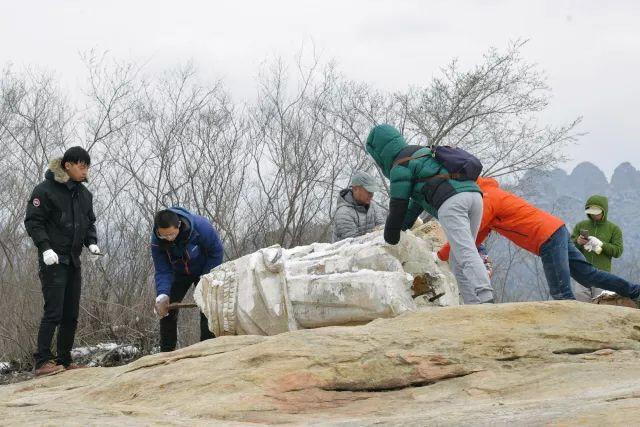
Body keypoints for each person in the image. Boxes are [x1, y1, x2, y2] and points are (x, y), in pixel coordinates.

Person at [438, 177, 640, 301]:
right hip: (556, 230)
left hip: (547, 237)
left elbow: (467, 236)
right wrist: (446, 254)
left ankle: (576, 334)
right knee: (589, 276)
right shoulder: (491, 195)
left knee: (561, 292)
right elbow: (475, 236)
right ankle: (635, 292)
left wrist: (441, 254)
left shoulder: (487, 197)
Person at [365, 124, 493, 304]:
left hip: (452, 202)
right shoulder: (422, 154)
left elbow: (398, 205)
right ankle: (474, 304)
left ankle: (486, 297)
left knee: (465, 251)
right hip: (474, 196)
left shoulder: (400, 166)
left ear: (379, 153)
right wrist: (401, 228)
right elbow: (414, 205)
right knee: (458, 259)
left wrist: (390, 236)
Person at [24, 147, 100, 376]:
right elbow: (33, 222)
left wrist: (92, 243)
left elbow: (89, 223)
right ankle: (42, 361)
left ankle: (64, 359)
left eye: (87, 166)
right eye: (81, 166)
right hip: (53, 260)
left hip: (73, 261)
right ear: (67, 165)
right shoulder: (45, 191)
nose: (85, 170)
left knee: (71, 313)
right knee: (54, 312)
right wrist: (45, 248)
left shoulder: (84, 195)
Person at [151, 207, 224, 352]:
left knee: (207, 307)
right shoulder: (157, 241)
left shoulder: (201, 227)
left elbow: (216, 251)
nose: (168, 238)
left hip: (204, 269)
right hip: (178, 273)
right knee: (166, 308)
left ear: (178, 225)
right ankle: (166, 352)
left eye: (171, 234)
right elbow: (162, 269)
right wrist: (163, 293)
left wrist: (207, 279)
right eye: (163, 235)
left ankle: (207, 350)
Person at [571, 195, 624, 302]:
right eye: (591, 212)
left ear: (604, 211)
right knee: (581, 305)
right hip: (581, 272)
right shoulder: (580, 225)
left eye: (597, 213)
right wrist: (578, 241)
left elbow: (618, 251)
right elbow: (569, 246)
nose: (594, 215)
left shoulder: (614, 229)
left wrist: (601, 244)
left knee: (600, 304)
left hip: (602, 274)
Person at [331, 170, 386, 242]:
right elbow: (353, 244)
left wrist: (379, 230)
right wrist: (374, 233)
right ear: (355, 189)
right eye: (368, 191)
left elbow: (383, 230)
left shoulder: (374, 206)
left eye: (372, 192)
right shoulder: (343, 213)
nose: (371, 195)